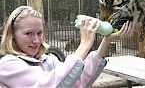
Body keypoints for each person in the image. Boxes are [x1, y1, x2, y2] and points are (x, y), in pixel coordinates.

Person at [0, 6, 133, 88]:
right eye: (28, 33)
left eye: (39, 33)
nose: (36, 40)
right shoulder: (8, 65)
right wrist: (85, 45)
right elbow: (50, 85)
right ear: (12, 35)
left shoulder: (48, 60)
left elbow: (78, 82)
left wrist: (107, 40)